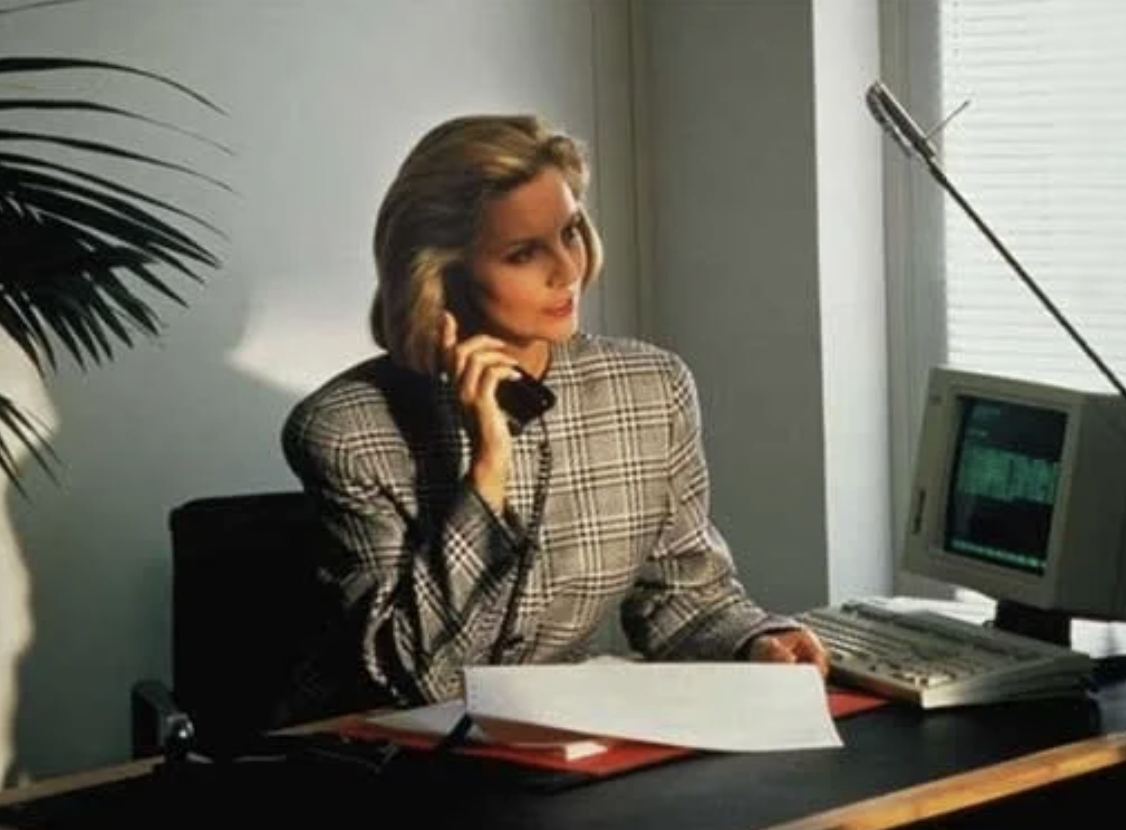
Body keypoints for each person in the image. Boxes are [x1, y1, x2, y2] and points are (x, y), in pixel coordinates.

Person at [279, 113, 828, 721]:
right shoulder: (344, 431)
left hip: (554, 760)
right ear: (440, 273)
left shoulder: (651, 389)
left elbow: (683, 599)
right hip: (379, 765)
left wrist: (757, 644)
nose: (566, 270)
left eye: (569, 233)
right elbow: (419, 678)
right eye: (523, 253)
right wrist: (486, 475)